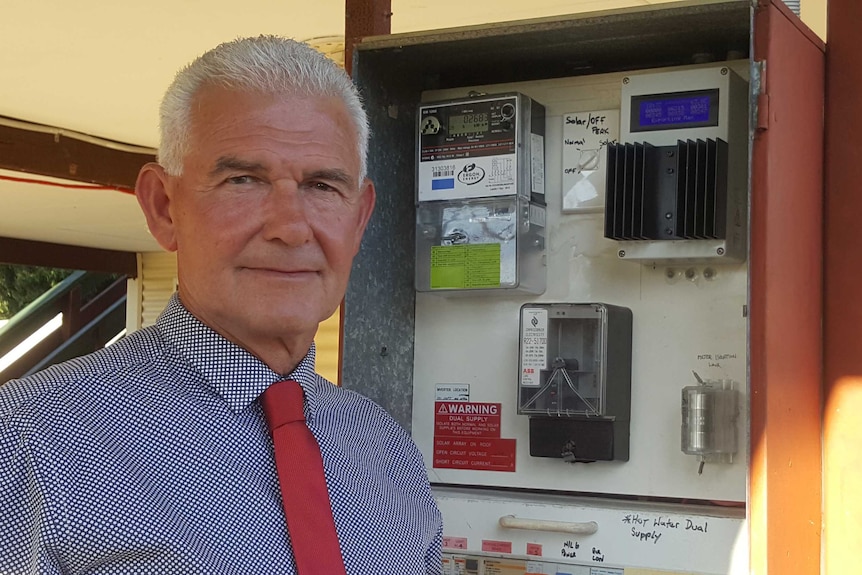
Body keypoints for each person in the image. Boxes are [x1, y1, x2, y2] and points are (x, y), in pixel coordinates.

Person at [0, 36, 443, 573]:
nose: (290, 227)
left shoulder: (386, 450)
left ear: (359, 218)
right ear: (163, 207)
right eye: (244, 180)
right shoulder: (30, 439)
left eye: (323, 186)